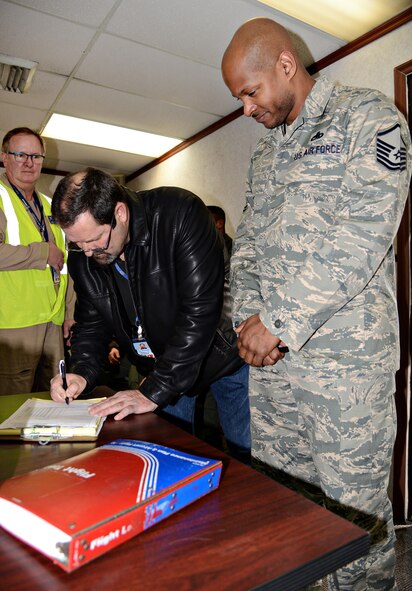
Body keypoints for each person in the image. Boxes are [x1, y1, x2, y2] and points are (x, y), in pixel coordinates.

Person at [221, 17, 411, 591]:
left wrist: (277, 321)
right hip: (274, 369)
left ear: (285, 65)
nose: (247, 108)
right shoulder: (264, 156)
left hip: (345, 372)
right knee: (289, 510)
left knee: (355, 523)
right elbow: (247, 246)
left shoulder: (370, 118)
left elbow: (363, 234)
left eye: (250, 92)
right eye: (238, 99)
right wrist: (247, 322)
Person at [49, 167, 247, 459]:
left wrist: (153, 390)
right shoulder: (84, 251)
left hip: (219, 355)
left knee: (245, 453)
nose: (88, 253)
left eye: (95, 241)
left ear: (120, 213)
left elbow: (200, 312)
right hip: (162, 366)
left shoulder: (180, 213)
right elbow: (91, 323)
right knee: (170, 453)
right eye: (78, 244)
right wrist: (80, 371)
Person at [0, 127, 75, 395]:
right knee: (14, 404)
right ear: (4, 157)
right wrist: (42, 252)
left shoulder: (50, 205)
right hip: (13, 324)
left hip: (53, 321)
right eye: (20, 154)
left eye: (36, 156)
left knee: (54, 395)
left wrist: (69, 311)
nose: (29, 163)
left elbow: (65, 264)